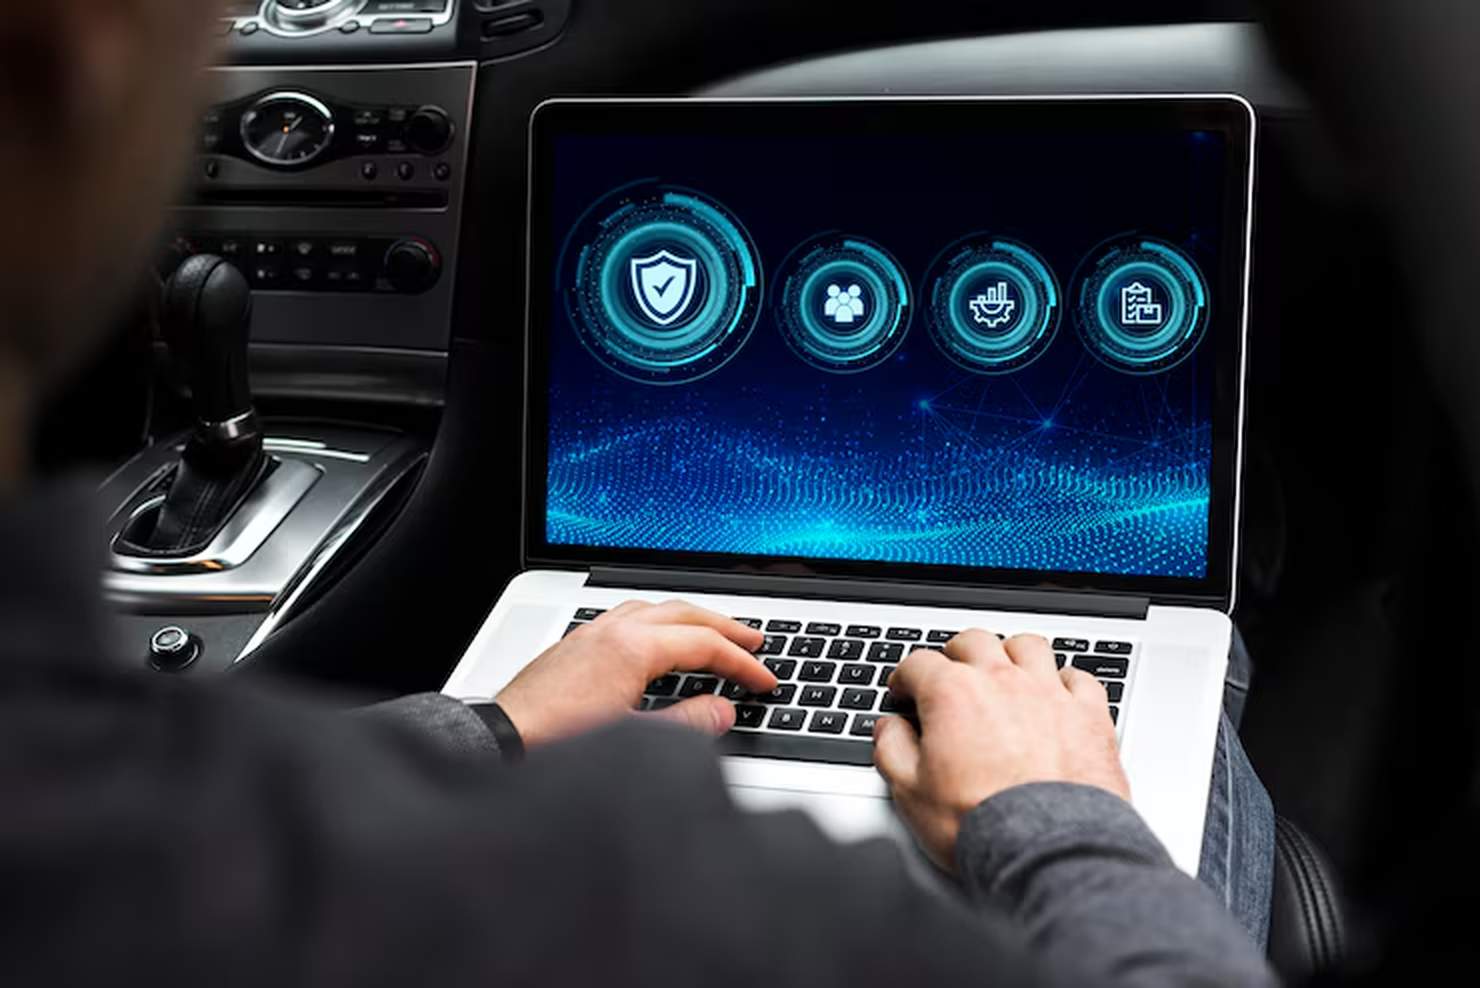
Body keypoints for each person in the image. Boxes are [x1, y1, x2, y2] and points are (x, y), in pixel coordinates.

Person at [0, 2, 1277, 984]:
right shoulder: (666, 898)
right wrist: (1052, 817)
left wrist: (480, 734)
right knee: (1182, 746)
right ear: (76, 55)